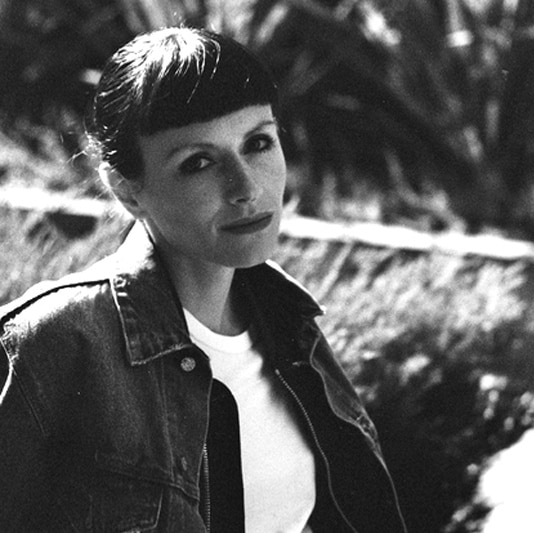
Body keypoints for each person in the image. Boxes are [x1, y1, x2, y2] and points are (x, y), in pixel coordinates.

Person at [0, 27, 406, 532]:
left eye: (258, 142)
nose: (247, 187)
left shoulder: (289, 318)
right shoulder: (56, 341)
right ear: (127, 192)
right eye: (199, 162)